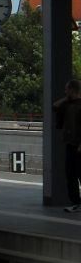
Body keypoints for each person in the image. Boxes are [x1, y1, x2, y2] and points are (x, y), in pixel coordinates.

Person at [53, 79, 81, 212]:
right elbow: (54, 107)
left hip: (79, 144)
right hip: (70, 143)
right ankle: (76, 202)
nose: (65, 91)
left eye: (66, 89)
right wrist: (66, 98)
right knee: (70, 173)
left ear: (72, 89)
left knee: (79, 173)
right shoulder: (67, 104)